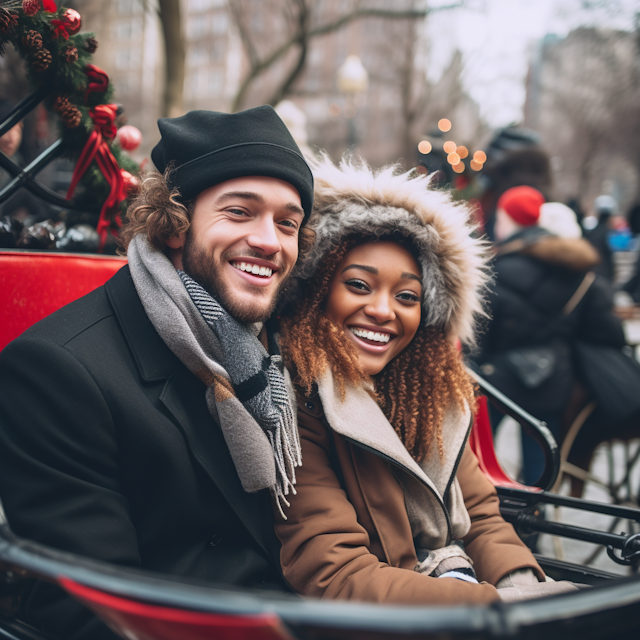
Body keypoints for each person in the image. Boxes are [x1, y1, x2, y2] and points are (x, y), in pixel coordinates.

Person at [0, 106, 314, 639]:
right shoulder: (59, 371)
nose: (270, 241)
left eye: (288, 223)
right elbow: (89, 612)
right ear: (175, 223)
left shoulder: (280, 353)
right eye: (240, 212)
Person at [274, 156, 579, 605]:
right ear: (317, 292)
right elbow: (336, 573)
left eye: (407, 296)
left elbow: (480, 513)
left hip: (458, 593)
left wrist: (522, 584)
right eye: (359, 285)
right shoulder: (296, 400)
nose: (384, 310)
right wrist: (494, 608)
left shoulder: (428, 390)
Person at [473, 186, 625, 485]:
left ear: (506, 220)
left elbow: (479, 335)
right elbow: (609, 332)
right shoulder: (577, 268)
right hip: (554, 381)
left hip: (496, 383)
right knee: (540, 473)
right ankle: (532, 527)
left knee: (478, 463)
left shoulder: (495, 267)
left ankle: (483, 522)